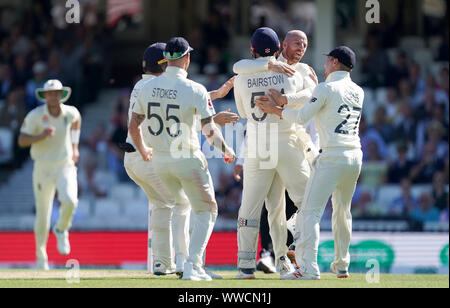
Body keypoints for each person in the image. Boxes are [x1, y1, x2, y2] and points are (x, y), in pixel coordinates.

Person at [123, 43, 238, 277]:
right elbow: (193, 121)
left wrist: (211, 95)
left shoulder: (145, 86)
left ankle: (166, 263)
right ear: (185, 59)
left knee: (168, 206)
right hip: (175, 156)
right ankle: (190, 264)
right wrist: (225, 145)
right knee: (197, 208)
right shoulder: (189, 87)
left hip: (150, 158)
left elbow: (144, 120)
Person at [255, 46, 364, 280]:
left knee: (309, 213)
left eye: (327, 62)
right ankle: (342, 265)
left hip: (332, 156)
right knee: (343, 211)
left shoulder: (326, 88)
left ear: (334, 62)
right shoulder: (358, 91)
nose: (324, 65)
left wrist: (276, 110)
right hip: (355, 156)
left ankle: (308, 268)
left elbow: (302, 116)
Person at [232, 29, 320, 272]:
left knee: (251, 207)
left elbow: (241, 112)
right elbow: (312, 98)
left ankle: (245, 265)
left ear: (252, 50)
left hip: (257, 145)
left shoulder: (240, 77)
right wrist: (285, 101)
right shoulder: (296, 71)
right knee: (306, 203)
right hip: (286, 141)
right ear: (279, 48)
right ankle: (301, 263)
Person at [18, 79, 82, 270]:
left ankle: (61, 228)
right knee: (43, 214)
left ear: (61, 94)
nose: (54, 96)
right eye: (50, 93)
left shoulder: (69, 112)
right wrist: (41, 136)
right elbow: (21, 140)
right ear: (44, 95)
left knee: (70, 201)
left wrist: (75, 146)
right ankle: (41, 257)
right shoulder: (35, 116)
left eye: (57, 93)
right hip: (43, 168)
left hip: (65, 164)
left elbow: (77, 120)